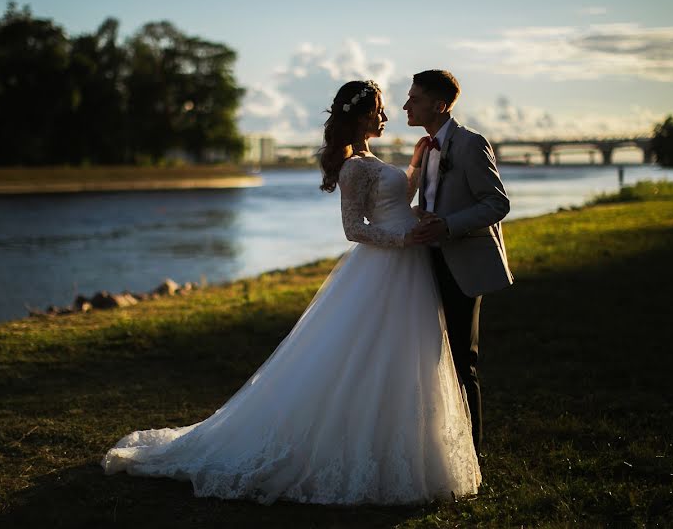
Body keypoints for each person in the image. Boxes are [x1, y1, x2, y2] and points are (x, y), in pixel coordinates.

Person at [102, 80, 481, 505]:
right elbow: (354, 229)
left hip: (407, 270)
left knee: (403, 356)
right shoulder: (355, 166)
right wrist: (403, 241)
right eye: (378, 110)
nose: (385, 116)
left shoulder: (374, 160)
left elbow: (396, 201)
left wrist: (413, 167)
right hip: (386, 266)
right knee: (366, 356)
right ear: (359, 117)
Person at [403, 70, 514, 456]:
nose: (406, 105)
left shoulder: (470, 144)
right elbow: (429, 203)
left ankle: (472, 453)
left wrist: (448, 227)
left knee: (462, 360)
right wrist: (418, 219)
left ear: (438, 104)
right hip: (423, 263)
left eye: (414, 99)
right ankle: (436, 448)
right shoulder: (424, 147)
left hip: (461, 262)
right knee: (428, 358)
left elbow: (497, 204)